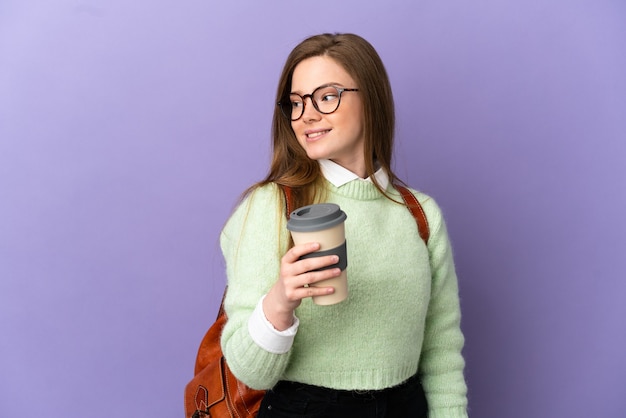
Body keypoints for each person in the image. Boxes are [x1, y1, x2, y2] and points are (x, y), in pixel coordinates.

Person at [219, 33, 468, 418]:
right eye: (297, 102)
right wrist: (281, 300)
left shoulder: (420, 214)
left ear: (370, 99)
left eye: (326, 96)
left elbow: (442, 349)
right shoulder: (269, 207)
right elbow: (250, 372)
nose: (307, 115)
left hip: (406, 407)